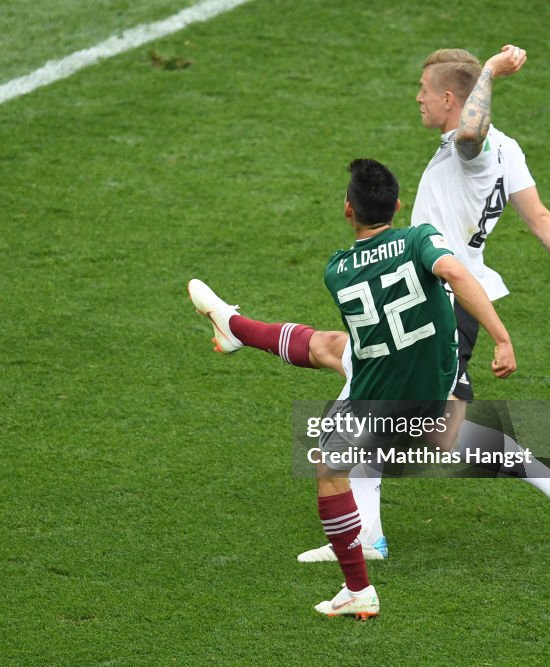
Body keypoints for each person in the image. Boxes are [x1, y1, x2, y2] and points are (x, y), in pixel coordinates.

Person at [190, 157, 519, 618]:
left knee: (328, 466)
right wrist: (502, 339)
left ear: (348, 209)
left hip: (382, 393)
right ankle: (236, 327)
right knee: (331, 346)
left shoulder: (337, 270)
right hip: (435, 382)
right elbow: (457, 275)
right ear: (399, 205)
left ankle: (358, 589)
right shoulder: (419, 238)